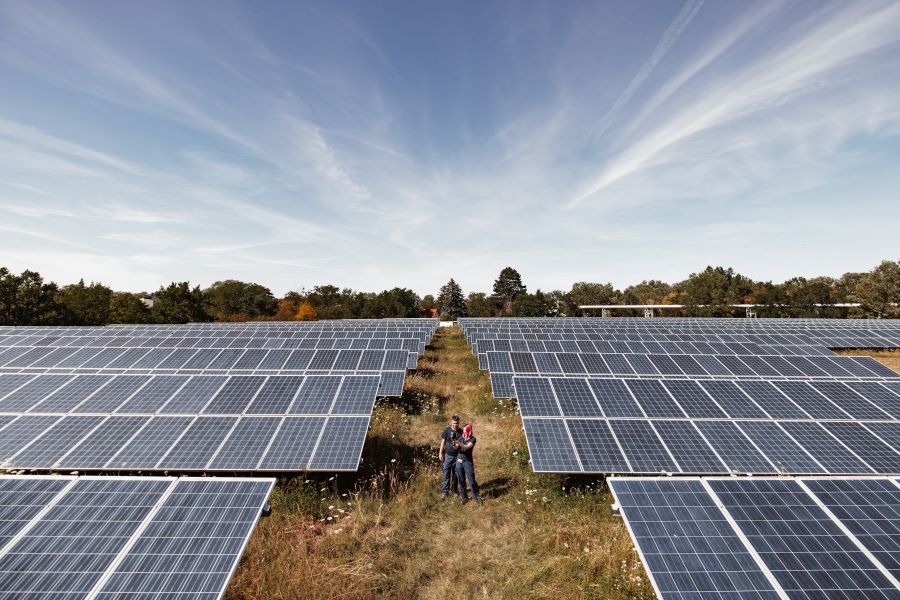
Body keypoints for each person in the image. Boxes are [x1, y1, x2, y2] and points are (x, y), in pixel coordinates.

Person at [455, 423, 482, 504]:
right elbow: (456, 448)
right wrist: (454, 443)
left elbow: (467, 447)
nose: (464, 432)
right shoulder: (460, 438)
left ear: (469, 431)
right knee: (461, 480)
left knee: (471, 479)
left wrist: (458, 442)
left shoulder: (473, 439)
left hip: (467, 461)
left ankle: (476, 497)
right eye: (463, 430)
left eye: (465, 430)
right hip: (459, 461)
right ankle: (464, 498)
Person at [438, 415, 462, 499]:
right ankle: (445, 492)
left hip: (457, 456)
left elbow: (463, 444)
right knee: (446, 474)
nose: (455, 425)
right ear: (451, 422)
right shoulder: (447, 430)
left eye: (457, 423)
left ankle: (454, 491)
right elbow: (443, 442)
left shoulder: (461, 432)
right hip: (448, 456)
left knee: (456, 475)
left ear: (459, 423)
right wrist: (440, 453)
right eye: (454, 423)